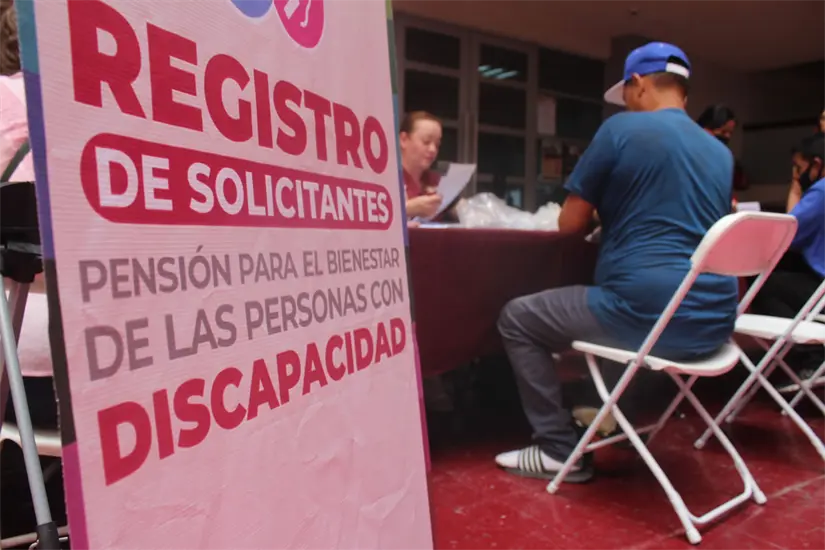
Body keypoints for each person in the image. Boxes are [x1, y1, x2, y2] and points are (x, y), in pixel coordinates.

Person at [495, 42, 737, 482]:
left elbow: (570, 223)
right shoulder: (720, 154)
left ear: (639, 84)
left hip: (652, 317)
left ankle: (555, 449)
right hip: (715, 323)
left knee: (518, 318)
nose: (624, 103)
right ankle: (621, 424)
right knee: (635, 297)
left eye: (625, 93)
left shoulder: (621, 131)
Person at [752, 134, 825, 378]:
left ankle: (814, 357)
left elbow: (789, 235)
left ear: (816, 164)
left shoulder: (821, 191)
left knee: (763, 284)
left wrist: (795, 191)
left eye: (799, 167)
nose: (797, 174)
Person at [399, 111, 444, 220]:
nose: (433, 150)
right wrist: (407, 208)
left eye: (437, 145)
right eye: (426, 142)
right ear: (403, 140)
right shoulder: (384, 179)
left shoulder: (436, 181)